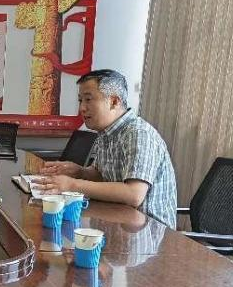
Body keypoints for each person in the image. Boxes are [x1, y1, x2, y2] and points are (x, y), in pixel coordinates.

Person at [36, 69, 177, 228]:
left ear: (114, 102)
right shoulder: (105, 133)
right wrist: (80, 172)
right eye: (80, 100)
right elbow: (102, 175)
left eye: (88, 99)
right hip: (117, 220)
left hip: (150, 232)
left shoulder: (138, 134)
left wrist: (72, 185)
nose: (82, 108)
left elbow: (134, 194)